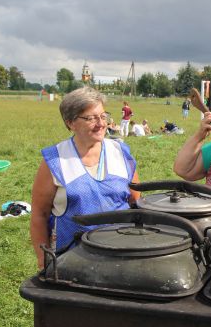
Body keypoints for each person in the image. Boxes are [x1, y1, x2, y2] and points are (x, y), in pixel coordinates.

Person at [30, 87, 141, 269]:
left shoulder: (120, 152)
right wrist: (43, 260)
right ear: (70, 123)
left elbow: (136, 202)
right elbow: (39, 215)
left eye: (103, 116)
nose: (101, 123)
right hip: (71, 258)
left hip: (121, 254)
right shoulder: (55, 160)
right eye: (91, 118)